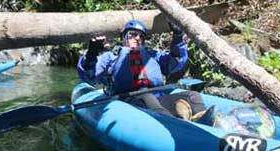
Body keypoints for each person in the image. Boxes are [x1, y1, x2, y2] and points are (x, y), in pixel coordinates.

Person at [77, 19, 205, 121]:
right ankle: (175, 124)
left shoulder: (152, 55)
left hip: (157, 98)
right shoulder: (111, 57)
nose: (137, 38)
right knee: (146, 97)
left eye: (141, 36)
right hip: (126, 101)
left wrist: (177, 37)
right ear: (123, 37)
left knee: (193, 96)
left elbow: (176, 61)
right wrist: (92, 53)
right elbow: (89, 76)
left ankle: (205, 121)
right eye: (133, 34)